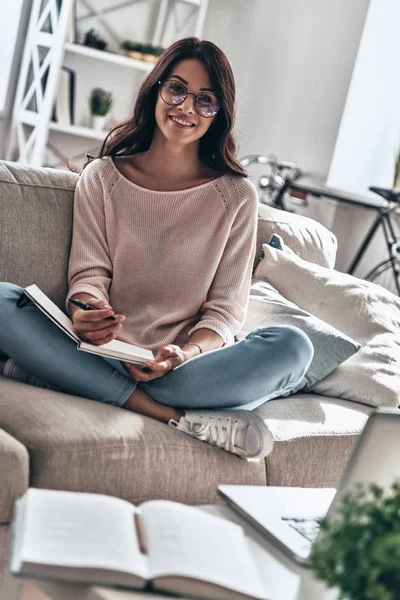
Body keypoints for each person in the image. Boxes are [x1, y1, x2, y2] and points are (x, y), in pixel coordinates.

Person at [0, 37, 313, 460]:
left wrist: (181, 355)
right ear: (157, 89)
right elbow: (89, 276)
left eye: (205, 100)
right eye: (177, 89)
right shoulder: (102, 178)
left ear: (219, 114)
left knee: (294, 346)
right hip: (103, 355)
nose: (186, 108)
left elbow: (223, 311)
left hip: (183, 370)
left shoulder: (236, 197)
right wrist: (85, 312)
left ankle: (68, 379)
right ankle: (167, 414)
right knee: (3, 300)